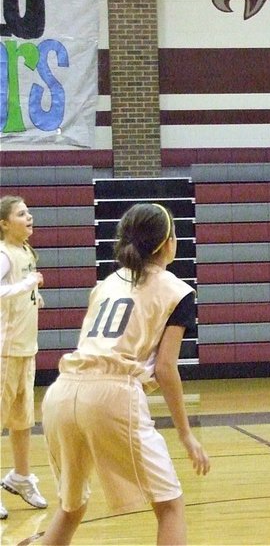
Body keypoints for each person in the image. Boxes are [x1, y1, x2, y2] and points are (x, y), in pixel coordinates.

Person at [38, 203, 210, 545]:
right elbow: (165, 369)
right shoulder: (178, 290)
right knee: (171, 506)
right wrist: (186, 435)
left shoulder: (105, 285)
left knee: (71, 507)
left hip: (61, 391)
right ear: (166, 244)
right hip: (112, 394)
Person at [0, 196, 47, 521]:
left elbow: (18, 291)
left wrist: (34, 295)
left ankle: (20, 476)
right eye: (21, 214)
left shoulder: (25, 252)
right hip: (4, 350)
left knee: (23, 421)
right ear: (4, 223)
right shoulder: (3, 254)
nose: (29, 217)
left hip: (25, 348)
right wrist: (28, 283)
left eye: (28, 211)